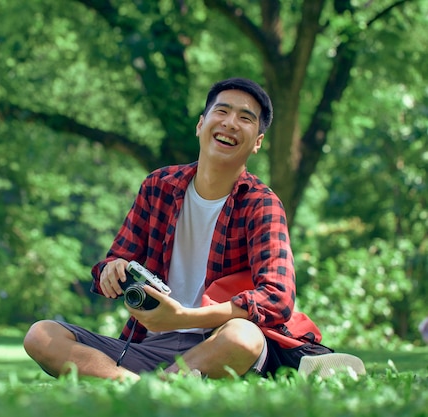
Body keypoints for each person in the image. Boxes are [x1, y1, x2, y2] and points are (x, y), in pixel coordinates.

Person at [23, 77, 334, 381]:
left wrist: (184, 318)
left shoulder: (262, 205)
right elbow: (113, 262)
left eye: (245, 118)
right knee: (42, 334)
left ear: (257, 142)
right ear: (201, 125)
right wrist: (112, 270)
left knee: (245, 338)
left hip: (217, 343)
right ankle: (140, 385)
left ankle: (144, 386)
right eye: (222, 112)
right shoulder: (158, 186)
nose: (230, 123)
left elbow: (277, 298)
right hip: (150, 345)